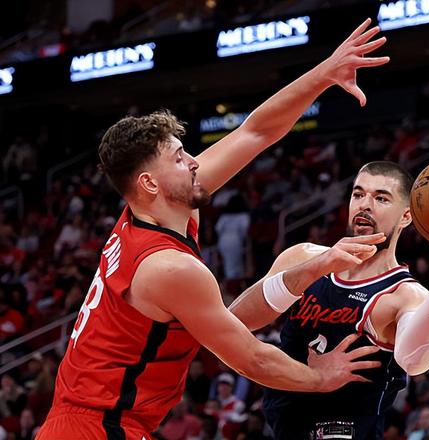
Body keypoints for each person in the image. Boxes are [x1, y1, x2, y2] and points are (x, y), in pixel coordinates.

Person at [37, 18, 390, 439]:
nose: (193, 162)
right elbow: (251, 358)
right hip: (98, 427)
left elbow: (256, 131)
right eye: (179, 158)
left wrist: (325, 73)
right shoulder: (170, 268)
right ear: (149, 183)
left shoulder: (152, 212)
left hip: (90, 421)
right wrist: (321, 378)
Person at [230, 161, 429, 438]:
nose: (364, 205)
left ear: (406, 216)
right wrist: (314, 268)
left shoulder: (405, 295)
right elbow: (234, 321)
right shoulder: (303, 257)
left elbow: (415, 362)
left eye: (381, 198)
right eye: (358, 194)